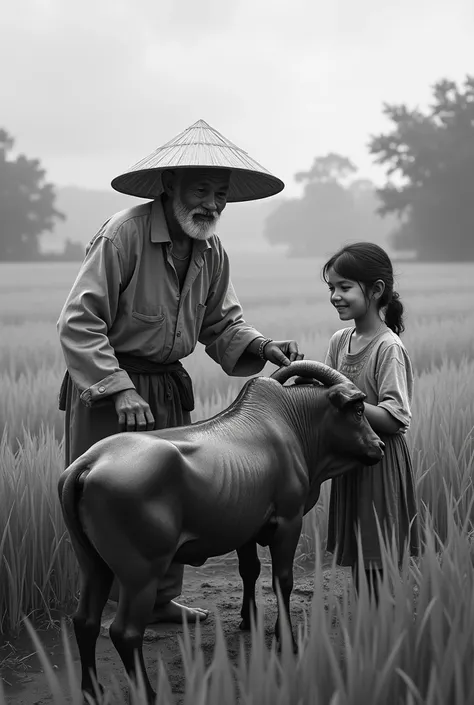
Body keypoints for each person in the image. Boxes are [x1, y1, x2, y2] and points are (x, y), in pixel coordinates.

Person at [57, 119, 304, 626]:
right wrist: (119, 389)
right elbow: (79, 322)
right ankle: (108, 611)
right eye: (199, 190)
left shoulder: (212, 250)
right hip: (111, 387)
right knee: (111, 500)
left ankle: (161, 600)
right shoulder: (122, 235)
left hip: (167, 387)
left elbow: (221, 323)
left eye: (220, 194)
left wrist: (260, 345)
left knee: (172, 502)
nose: (211, 204)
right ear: (168, 185)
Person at [321, 242, 419, 603]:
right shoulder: (340, 341)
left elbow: (395, 418)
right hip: (352, 460)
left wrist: (345, 399)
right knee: (359, 555)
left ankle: (382, 630)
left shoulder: (387, 347)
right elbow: (325, 394)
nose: (335, 296)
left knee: (377, 560)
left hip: (379, 461)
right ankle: (370, 625)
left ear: (376, 290)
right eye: (331, 287)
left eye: (344, 287)